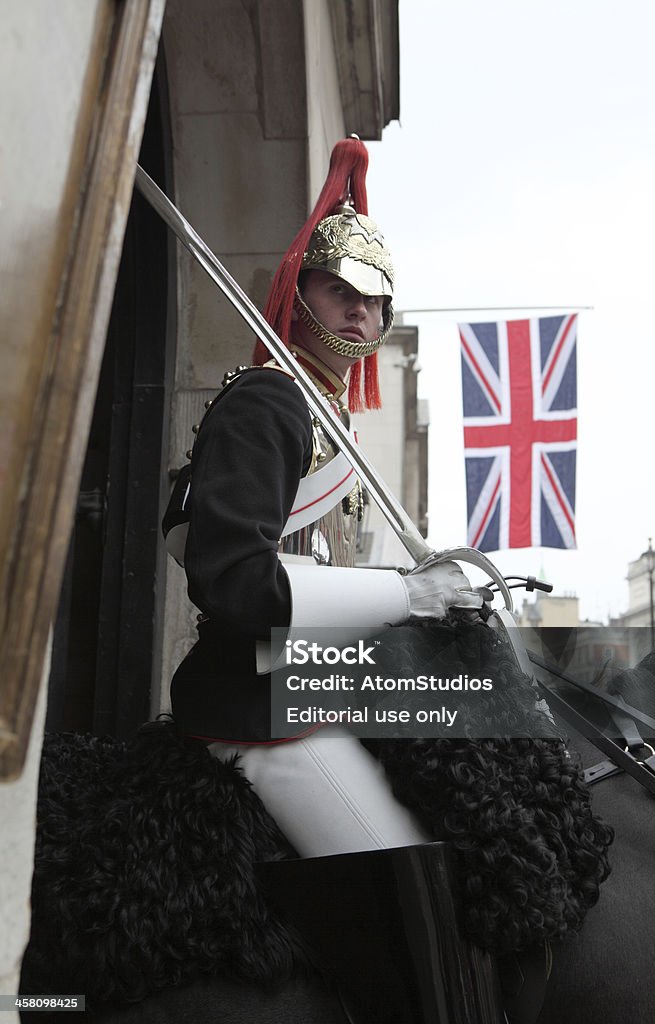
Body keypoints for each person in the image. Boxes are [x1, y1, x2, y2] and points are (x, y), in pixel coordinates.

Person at [167, 136, 482, 859]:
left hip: (320, 687)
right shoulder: (269, 402)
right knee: (402, 864)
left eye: (374, 301)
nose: (358, 312)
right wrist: (411, 596)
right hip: (258, 703)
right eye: (340, 288)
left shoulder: (324, 417)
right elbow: (232, 580)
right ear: (299, 291)